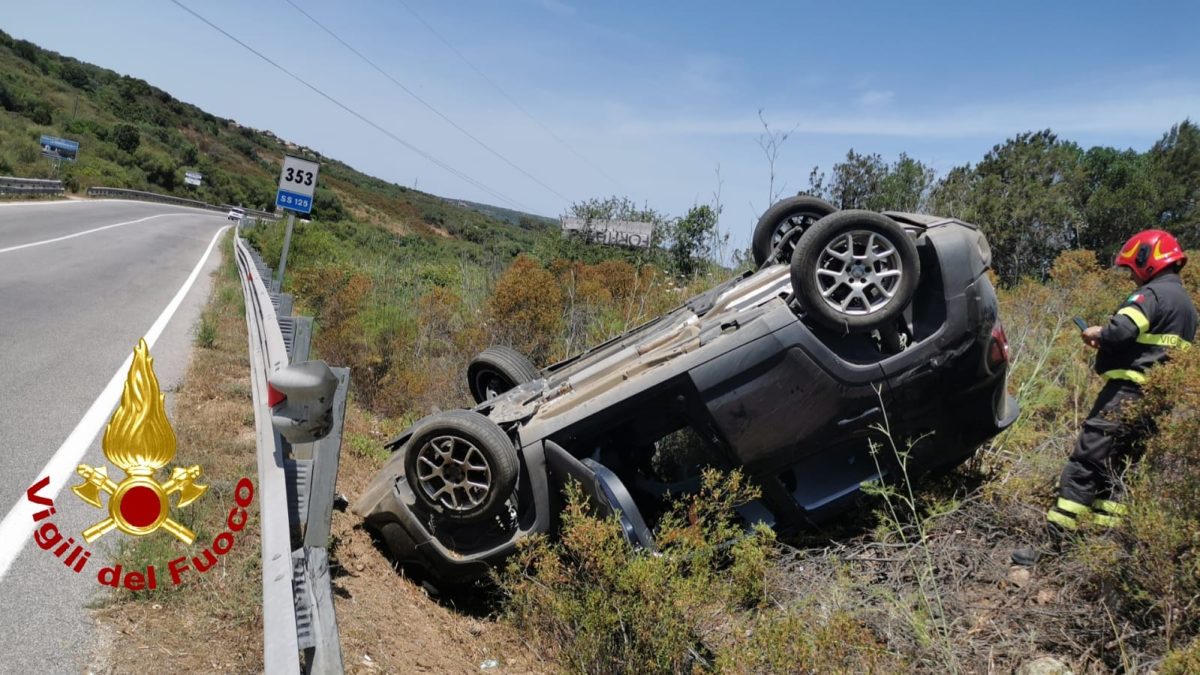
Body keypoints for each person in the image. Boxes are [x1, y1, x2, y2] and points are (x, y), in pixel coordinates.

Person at [1012, 230, 1197, 566]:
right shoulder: (1187, 307)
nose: (1131, 275)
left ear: (1147, 258)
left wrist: (1098, 332)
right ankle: (1102, 547)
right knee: (1120, 471)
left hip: (1124, 395)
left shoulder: (1151, 294)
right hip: (1155, 405)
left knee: (1086, 462)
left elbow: (1122, 330)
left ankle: (1054, 544)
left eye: (1131, 268)